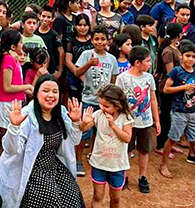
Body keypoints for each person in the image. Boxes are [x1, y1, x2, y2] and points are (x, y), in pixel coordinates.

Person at [0, 76, 95, 208]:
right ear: (36, 93)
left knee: (71, 193)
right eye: (45, 91)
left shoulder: (61, 113)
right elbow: (12, 149)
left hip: (52, 165)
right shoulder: (26, 115)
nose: (50, 95)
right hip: (29, 169)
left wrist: (76, 124)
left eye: (55, 91)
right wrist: (13, 127)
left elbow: (73, 141)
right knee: (48, 196)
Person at [159, 41, 195, 179]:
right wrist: (184, 88)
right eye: (187, 56)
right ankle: (163, 164)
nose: (190, 59)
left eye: (193, 56)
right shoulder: (176, 71)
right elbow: (166, 89)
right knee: (173, 138)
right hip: (179, 111)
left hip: (193, 111)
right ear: (181, 56)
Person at [88, 85, 133, 208]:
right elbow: (83, 127)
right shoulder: (98, 115)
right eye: (100, 104)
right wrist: (81, 122)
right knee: (98, 195)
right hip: (99, 163)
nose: (102, 108)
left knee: (116, 197)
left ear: (117, 105)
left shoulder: (125, 117)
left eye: (106, 106)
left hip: (117, 165)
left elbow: (127, 138)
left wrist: (113, 125)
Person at [73, 26, 118, 175]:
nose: (99, 42)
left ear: (108, 41)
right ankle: (78, 159)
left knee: (100, 131)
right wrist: (88, 64)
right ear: (92, 40)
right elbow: (77, 72)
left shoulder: (111, 59)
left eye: (103, 39)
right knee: (85, 130)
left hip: (104, 103)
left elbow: (113, 79)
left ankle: (93, 155)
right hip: (88, 99)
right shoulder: (87, 54)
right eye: (96, 39)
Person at [116, 46, 160, 193]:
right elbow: (118, 100)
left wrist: (156, 120)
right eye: (147, 61)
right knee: (126, 149)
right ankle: (124, 176)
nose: (150, 63)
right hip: (128, 122)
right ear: (137, 62)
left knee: (144, 150)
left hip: (146, 122)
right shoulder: (122, 78)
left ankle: (142, 176)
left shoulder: (149, 78)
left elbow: (153, 99)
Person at [0, 30, 32, 152]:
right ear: (13, 47)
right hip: (6, 104)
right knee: (6, 139)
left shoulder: (13, 59)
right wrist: (27, 87)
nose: (22, 44)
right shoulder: (8, 59)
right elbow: (7, 87)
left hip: (14, 103)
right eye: (20, 42)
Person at [155, 23, 184, 151]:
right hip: (166, 87)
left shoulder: (173, 49)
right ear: (179, 35)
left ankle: (167, 143)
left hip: (173, 86)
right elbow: (170, 72)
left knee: (171, 116)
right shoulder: (168, 51)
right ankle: (160, 144)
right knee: (166, 116)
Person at [64, 14, 94, 102]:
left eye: (85, 25)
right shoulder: (71, 41)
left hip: (91, 76)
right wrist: (78, 72)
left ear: (89, 26)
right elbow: (68, 61)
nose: (82, 28)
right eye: (80, 25)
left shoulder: (92, 41)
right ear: (75, 26)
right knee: (75, 102)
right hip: (74, 77)